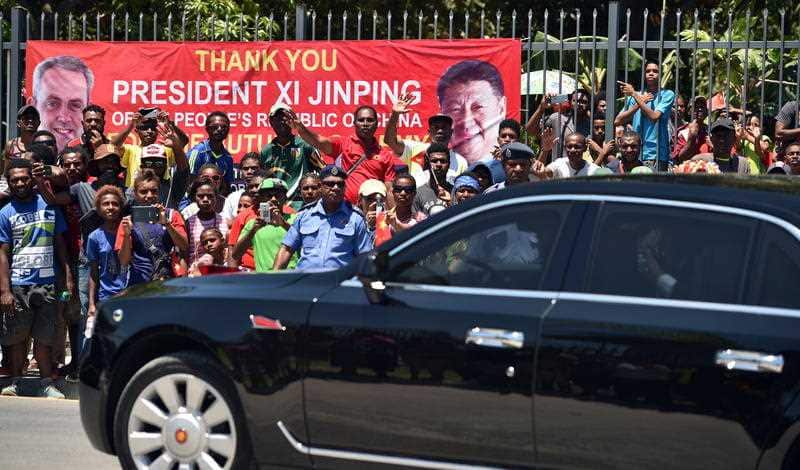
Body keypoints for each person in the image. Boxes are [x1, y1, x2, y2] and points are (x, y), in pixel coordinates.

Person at [0, 159, 72, 398]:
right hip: (18, 284)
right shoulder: (5, 213)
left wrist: (68, 277)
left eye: (24, 178)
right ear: (9, 183)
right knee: (17, 337)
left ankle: (45, 384)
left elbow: (60, 244)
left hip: (48, 283)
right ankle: (16, 382)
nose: (20, 183)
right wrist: (5, 290)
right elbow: (3, 254)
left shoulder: (49, 206)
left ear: (32, 179)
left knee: (44, 337)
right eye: (15, 180)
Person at [290, 105, 396, 205]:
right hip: (344, 210)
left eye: (369, 120)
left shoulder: (385, 155)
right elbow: (318, 141)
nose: (365, 124)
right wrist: (301, 128)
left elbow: (389, 190)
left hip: (371, 211)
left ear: (377, 123)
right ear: (354, 123)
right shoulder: (342, 144)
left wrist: (392, 215)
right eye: (361, 120)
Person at [273, 165, 372, 270]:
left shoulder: (355, 218)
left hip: (338, 279)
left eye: (340, 184)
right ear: (320, 187)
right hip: (306, 277)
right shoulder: (304, 215)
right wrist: (274, 277)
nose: (336, 188)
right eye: (330, 184)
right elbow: (286, 249)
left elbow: (365, 256)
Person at [116, 172, 188, 285]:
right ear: (135, 194)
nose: (149, 195)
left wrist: (167, 224)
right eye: (143, 192)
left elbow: (184, 246)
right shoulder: (128, 222)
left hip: (169, 283)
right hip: (139, 286)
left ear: (159, 192)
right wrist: (126, 235)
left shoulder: (172, 215)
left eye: (154, 191)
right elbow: (123, 261)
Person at [436, 60, 507, 164]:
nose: (466, 122)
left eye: (478, 107)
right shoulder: (432, 166)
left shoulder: (514, 168)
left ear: (501, 108)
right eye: (455, 109)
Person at [384, 96, 469, 181]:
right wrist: (395, 115)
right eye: (436, 127)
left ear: (451, 132)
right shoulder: (414, 149)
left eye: (444, 127)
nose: (440, 131)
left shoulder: (460, 162)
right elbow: (390, 141)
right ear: (429, 132)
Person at [259, 103, 324, 207]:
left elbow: (323, 171)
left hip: (301, 205)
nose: (282, 121)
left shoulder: (305, 145)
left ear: (292, 120)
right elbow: (262, 181)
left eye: (285, 117)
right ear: (271, 122)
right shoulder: (266, 151)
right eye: (277, 118)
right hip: (276, 204)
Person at [615, 62, 675, 171]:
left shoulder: (667, 94)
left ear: (660, 74)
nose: (651, 73)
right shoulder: (636, 96)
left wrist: (634, 94)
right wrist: (639, 101)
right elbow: (617, 121)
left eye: (655, 71)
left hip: (657, 154)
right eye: (648, 71)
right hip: (635, 153)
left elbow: (654, 116)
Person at [29, 55, 93, 151]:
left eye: (75, 105)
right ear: (33, 108)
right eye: (52, 104)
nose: (64, 118)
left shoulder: (100, 158)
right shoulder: (17, 156)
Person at [233, 179, 298, 272]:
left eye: (278, 195)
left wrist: (283, 224)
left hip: (292, 275)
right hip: (265, 278)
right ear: (261, 199)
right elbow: (235, 255)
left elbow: (306, 244)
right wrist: (252, 231)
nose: (273, 199)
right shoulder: (253, 224)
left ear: (285, 198)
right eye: (268, 195)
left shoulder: (296, 219)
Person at [112, 109, 186, 188]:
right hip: (135, 193)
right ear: (136, 130)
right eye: (145, 128)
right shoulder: (131, 150)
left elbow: (183, 142)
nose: (149, 131)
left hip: (159, 192)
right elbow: (113, 146)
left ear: (157, 131)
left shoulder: (165, 150)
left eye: (153, 128)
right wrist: (131, 125)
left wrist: (170, 124)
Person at [86, 186, 127, 316]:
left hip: (130, 294)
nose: (110, 207)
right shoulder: (94, 237)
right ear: (99, 208)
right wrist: (91, 304)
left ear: (121, 208)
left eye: (115, 204)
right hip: (107, 296)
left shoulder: (130, 231)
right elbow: (93, 272)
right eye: (106, 204)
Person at [126, 142, 189, 210]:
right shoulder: (131, 191)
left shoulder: (172, 188)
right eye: (149, 163)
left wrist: (176, 145)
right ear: (142, 166)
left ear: (165, 166)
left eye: (159, 163)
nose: (154, 166)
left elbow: (184, 171)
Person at [225, 173, 267, 271]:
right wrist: (232, 275)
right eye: (251, 187)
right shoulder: (242, 216)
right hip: (249, 271)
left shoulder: (288, 212)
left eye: (257, 186)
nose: (254, 190)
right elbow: (232, 250)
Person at [185, 179, 229, 265]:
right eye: (201, 196)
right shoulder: (189, 223)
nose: (205, 199)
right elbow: (184, 253)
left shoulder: (225, 222)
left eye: (210, 196)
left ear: (216, 198)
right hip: (196, 270)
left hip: (221, 269)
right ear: (194, 198)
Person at [187, 111, 235, 187]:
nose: (219, 129)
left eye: (224, 127)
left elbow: (227, 186)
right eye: (215, 127)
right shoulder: (197, 153)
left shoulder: (228, 157)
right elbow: (188, 184)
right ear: (207, 129)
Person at [413, 143, 453, 218]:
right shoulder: (418, 194)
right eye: (434, 161)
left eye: (443, 161)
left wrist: (451, 201)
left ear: (449, 164)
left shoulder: (455, 191)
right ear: (428, 164)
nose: (438, 164)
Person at [535, 134, 601, 179]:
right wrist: (545, 150)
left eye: (577, 147)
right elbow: (542, 172)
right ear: (565, 148)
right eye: (569, 146)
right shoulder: (560, 163)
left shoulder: (594, 170)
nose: (572, 150)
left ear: (585, 148)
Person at [220, 153, 262, 224]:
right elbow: (224, 222)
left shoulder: (269, 195)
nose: (249, 172)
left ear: (262, 169)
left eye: (254, 168)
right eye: (245, 169)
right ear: (241, 172)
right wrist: (242, 221)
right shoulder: (233, 197)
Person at [673, 96, 711, 163]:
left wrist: (712, 145)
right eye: (696, 107)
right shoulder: (683, 132)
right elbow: (680, 158)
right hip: (690, 167)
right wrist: (691, 138)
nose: (699, 109)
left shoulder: (712, 131)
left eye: (702, 107)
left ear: (707, 112)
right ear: (689, 112)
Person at [4, 106, 41, 172]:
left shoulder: (43, 145)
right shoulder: (11, 145)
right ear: (18, 123)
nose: (30, 120)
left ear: (39, 123)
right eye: (26, 118)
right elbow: (6, 172)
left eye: (34, 118)